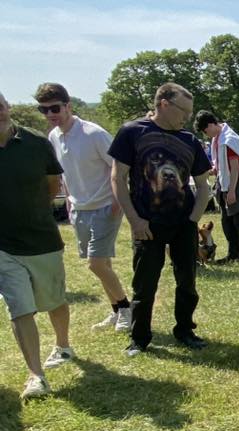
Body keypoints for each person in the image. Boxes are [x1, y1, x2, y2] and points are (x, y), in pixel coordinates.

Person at [109, 82, 212, 356]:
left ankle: (185, 330)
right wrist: (135, 220)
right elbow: (117, 178)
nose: (187, 118)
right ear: (164, 104)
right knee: (145, 284)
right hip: (147, 224)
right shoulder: (132, 132)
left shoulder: (189, 140)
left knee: (187, 281)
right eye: (184, 111)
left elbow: (204, 185)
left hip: (182, 224)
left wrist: (192, 220)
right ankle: (140, 338)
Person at [36, 82, 132, 332]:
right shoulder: (53, 137)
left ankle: (125, 308)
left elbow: (118, 167)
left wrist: (117, 201)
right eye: (43, 110)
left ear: (68, 106)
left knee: (95, 263)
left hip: (105, 207)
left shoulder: (94, 133)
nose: (49, 115)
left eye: (54, 108)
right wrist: (69, 202)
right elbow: (64, 174)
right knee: (103, 267)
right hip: (79, 209)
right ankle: (116, 311)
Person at [0, 91, 74, 399]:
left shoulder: (36, 143)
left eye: (0, 106)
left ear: (8, 107)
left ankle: (63, 344)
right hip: (3, 245)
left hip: (41, 239)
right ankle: (36, 375)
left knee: (53, 300)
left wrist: (35, 211)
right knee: (19, 308)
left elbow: (53, 184)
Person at [194, 110, 239, 263]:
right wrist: (215, 169)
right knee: (228, 224)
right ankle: (234, 255)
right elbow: (223, 164)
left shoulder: (228, 140)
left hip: (235, 184)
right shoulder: (218, 139)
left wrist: (232, 190)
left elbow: (234, 167)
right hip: (224, 183)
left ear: (211, 124)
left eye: (206, 130)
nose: (206, 134)